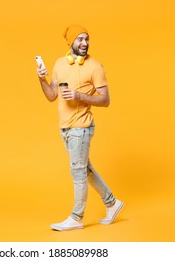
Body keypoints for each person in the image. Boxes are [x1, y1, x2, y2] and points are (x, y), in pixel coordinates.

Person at [36, 24, 123, 231]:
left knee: (77, 171)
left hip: (81, 126)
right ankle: (112, 203)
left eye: (87, 39)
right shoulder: (59, 64)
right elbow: (51, 96)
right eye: (80, 39)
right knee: (84, 169)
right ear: (71, 42)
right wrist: (41, 78)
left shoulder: (95, 67)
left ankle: (77, 217)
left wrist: (79, 96)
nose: (85, 43)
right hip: (65, 127)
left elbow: (105, 100)